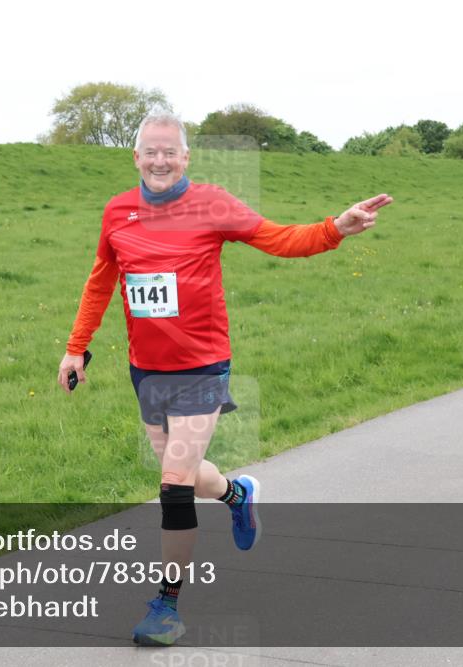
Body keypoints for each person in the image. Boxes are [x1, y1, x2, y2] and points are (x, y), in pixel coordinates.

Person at [57, 112, 392, 646]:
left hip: (202, 367)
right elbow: (101, 281)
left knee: (171, 486)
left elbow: (277, 237)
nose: (160, 160)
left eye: (171, 151)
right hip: (147, 368)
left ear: (186, 158)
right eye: (151, 151)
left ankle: (166, 607)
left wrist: (334, 228)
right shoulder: (117, 211)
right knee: (185, 474)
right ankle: (237, 494)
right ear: (136, 157)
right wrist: (77, 348)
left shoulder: (212, 204)